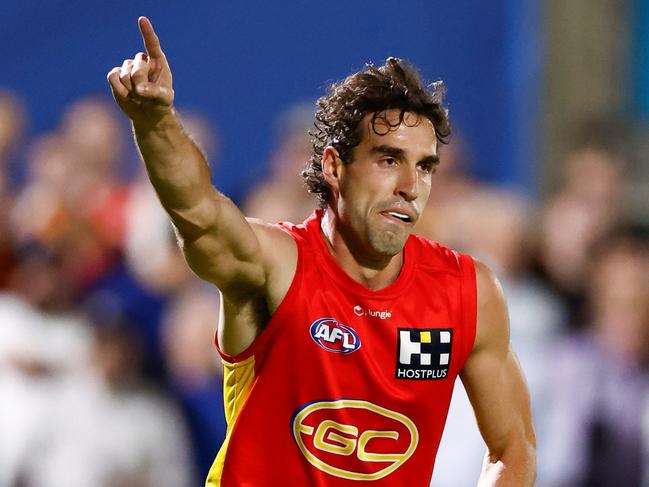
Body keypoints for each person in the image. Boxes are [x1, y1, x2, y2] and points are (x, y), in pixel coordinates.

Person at [107, 17, 535, 486]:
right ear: (334, 166)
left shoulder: (468, 293)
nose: (411, 187)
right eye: (389, 160)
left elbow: (512, 450)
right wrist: (154, 121)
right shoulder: (275, 264)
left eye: (425, 166)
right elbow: (197, 210)